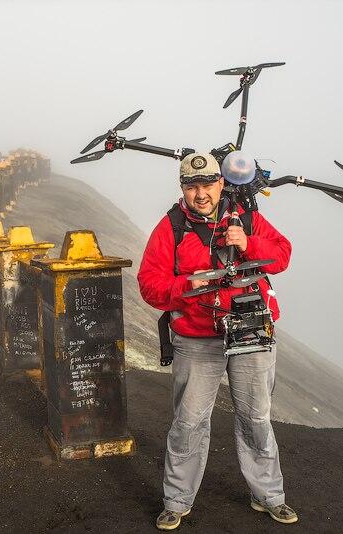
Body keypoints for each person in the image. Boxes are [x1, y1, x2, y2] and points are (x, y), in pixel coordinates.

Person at [137, 152, 298, 530]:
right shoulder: (171, 227)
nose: (200, 193)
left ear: (221, 183)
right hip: (197, 339)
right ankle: (176, 501)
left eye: (207, 184)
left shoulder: (248, 219)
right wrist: (185, 286)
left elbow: (283, 255)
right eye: (191, 186)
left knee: (256, 419)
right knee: (189, 422)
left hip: (251, 332)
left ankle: (269, 496)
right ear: (183, 189)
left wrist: (249, 245)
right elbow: (149, 284)